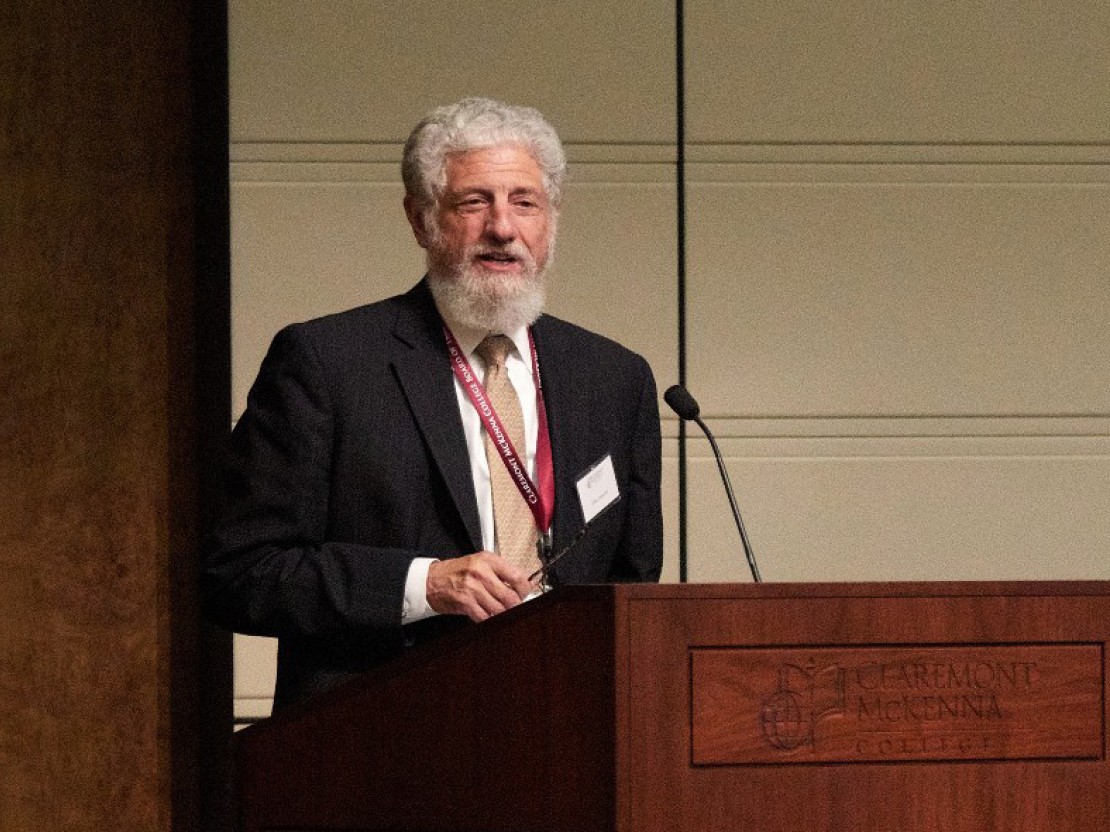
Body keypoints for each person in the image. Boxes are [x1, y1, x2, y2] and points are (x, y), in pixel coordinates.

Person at [203, 98, 663, 710]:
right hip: (383, 743)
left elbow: (631, 587)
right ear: (421, 220)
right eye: (474, 202)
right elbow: (238, 572)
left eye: (525, 202)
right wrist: (426, 583)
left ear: (550, 222)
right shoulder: (328, 363)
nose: (503, 227)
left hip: (563, 738)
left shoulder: (614, 379)